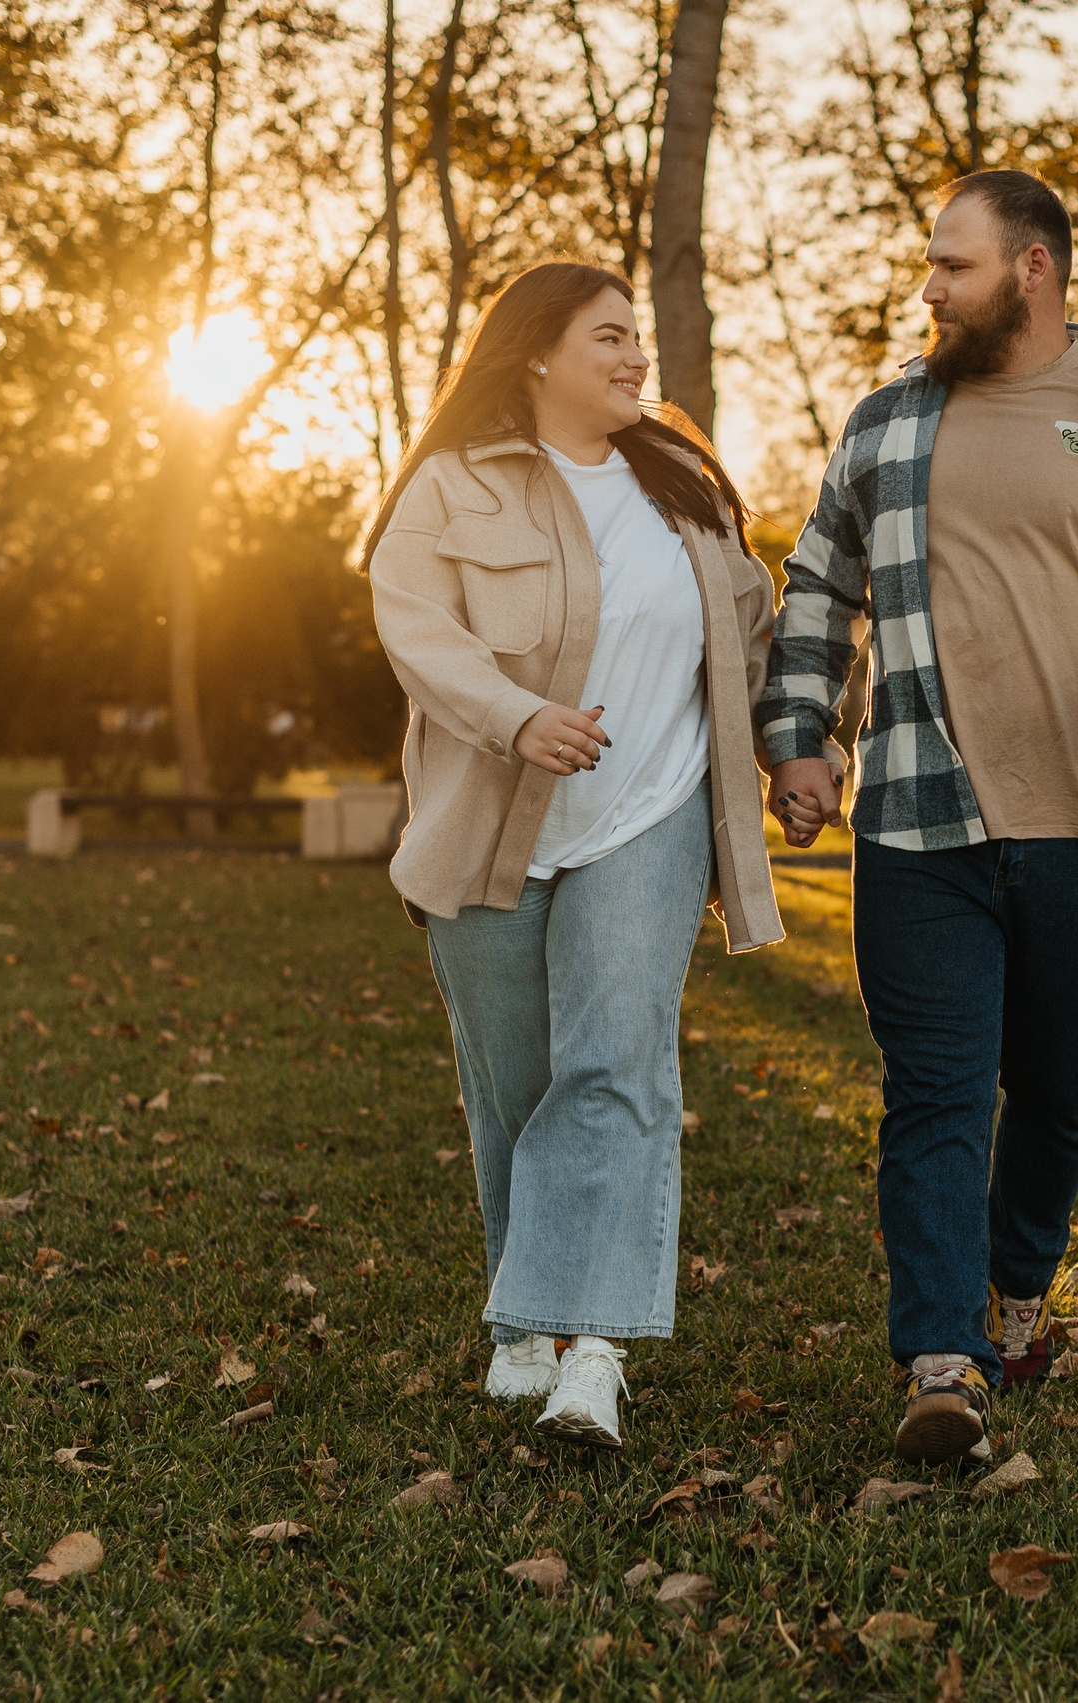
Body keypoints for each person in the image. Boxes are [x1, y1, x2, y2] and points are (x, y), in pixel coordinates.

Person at [756, 171, 1078, 1463]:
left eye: (955, 264)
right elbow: (819, 587)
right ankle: (942, 1357)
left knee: (1062, 1084)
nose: (928, 287)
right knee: (935, 1093)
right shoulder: (888, 423)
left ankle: (1017, 1283)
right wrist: (800, 737)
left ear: (1033, 268)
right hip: (917, 816)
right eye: (931, 264)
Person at [366, 260, 783, 1450]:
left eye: (635, 335)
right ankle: (525, 1323)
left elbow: (750, 637)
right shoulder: (452, 484)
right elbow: (414, 627)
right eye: (608, 335)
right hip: (488, 825)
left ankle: (593, 1352)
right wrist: (515, 716)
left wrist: (801, 752)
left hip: (648, 814)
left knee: (614, 1067)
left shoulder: (684, 487)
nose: (634, 356)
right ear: (537, 351)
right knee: (514, 1084)